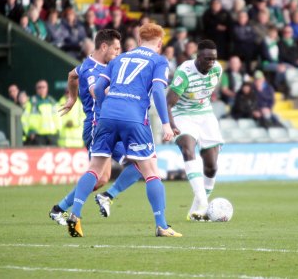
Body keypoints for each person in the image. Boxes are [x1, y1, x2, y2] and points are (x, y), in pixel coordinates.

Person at [65, 23, 182, 237]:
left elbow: (99, 88)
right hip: (134, 118)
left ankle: (76, 215)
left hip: (107, 116)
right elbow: (157, 89)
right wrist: (166, 123)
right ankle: (162, 225)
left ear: (138, 41)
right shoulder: (158, 60)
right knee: (151, 172)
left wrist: (104, 109)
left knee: (95, 168)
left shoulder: (119, 58)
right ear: (159, 43)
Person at [49, 29, 141, 226]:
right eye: (116, 49)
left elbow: (72, 75)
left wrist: (73, 98)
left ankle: (70, 206)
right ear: (104, 46)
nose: (118, 52)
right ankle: (63, 210)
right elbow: (95, 91)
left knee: (125, 170)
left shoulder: (89, 65)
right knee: (101, 175)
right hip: (96, 127)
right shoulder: (92, 70)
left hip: (111, 125)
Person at [166, 39, 223, 221]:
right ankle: (203, 202)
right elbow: (168, 103)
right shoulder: (185, 72)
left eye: (213, 59)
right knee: (188, 149)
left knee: (212, 166)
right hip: (182, 114)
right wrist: (172, 125)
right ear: (198, 57)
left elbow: (205, 95)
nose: (211, 63)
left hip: (205, 114)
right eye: (207, 59)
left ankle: (194, 210)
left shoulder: (217, 70)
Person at [23, 80, 60, 145]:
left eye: (43, 87)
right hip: (37, 136)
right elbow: (24, 119)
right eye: (39, 87)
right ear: (36, 89)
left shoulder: (52, 102)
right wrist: (29, 132)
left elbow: (58, 117)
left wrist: (58, 130)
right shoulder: (31, 102)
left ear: (47, 88)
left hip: (52, 135)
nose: (41, 89)